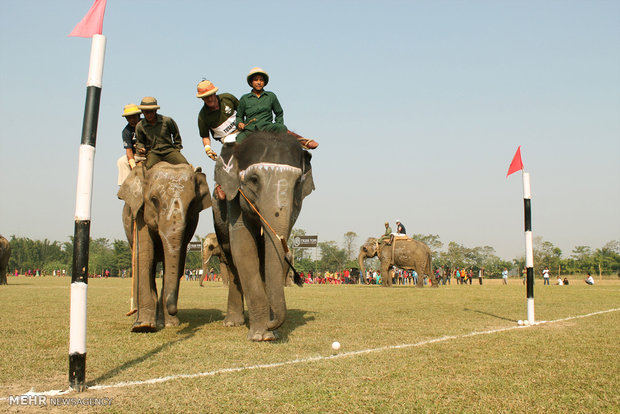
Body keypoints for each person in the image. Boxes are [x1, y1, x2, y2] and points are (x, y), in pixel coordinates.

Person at [236, 67, 318, 149]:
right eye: (256, 80)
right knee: (238, 141)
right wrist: (240, 123)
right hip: (250, 129)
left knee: (282, 128)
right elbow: (239, 116)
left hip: (267, 127)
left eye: (261, 80)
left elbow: (279, 113)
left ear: (264, 82)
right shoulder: (244, 98)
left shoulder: (271, 96)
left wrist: (278, 124)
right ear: (251, 82)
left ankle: (303, 142)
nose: (259, 82)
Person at [135, 97, 188, 169]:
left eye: (151, 111)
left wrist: (177, 149)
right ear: (142, 112)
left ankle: (196, 173)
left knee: (185, 165)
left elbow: (176, 135)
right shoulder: (140, 126)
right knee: (146, 170)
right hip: (153, 153)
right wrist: (141, 148)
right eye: (146, 112)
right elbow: (140, 141)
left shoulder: (167, 121)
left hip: (169, 151)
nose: (149, 114)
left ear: (156, 110)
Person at [116, 104, 145, 185]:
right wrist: (134, 167)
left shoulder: (146, 125)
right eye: (129, 118)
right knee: (121, 161)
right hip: (136, 156)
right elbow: (129, 151)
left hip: (150, 154)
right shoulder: (126, 131)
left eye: (134, 117)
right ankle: (125, 186)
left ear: (139, 115)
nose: (132, 120)